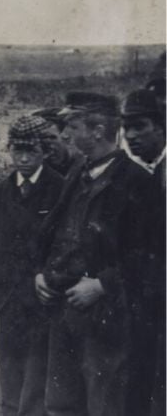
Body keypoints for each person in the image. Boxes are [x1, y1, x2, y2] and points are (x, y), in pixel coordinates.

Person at [36, 92, 157, 416]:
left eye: (72, 126)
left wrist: (103, 284)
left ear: (98, 129)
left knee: (105, 405)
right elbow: (54, 232)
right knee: (60, 405)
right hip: (64, 311)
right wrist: (41, 273)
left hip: (108, 318)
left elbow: (149, 254)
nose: (65, 135)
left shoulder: (137, 182)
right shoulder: (76, 174)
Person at [0, 115, 63, 416]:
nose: (23, 158)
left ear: (44, 151)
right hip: (7, 301)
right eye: (17, 150)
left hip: (42, 301)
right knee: (9, 376)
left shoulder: (60, 188)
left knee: (37, 379)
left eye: (30, 151)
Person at [120, 86, 166, 416]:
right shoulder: (144, 176)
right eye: (126, 128)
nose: (131, 136)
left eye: (141, 127)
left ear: (162, 127)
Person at [32, 107, 83, 177]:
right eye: (41, 141)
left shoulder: (82, 166)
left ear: (65, 136)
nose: (50, 148)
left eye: (52, 138)